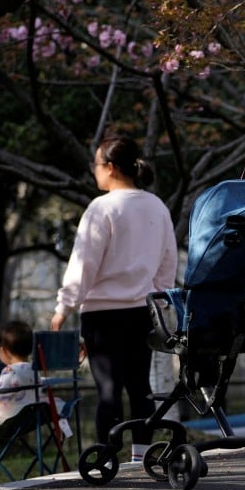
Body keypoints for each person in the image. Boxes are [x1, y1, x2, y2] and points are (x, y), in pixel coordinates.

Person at [51, 134, 178, 462]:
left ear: (109, 167)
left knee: (109, 389)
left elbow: (84, 263)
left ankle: (107, 455)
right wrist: (160, 298)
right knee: (140, 387)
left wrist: (64, 307)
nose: (93, 171)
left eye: (95, 164)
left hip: (102, 315)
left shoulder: (101, 208)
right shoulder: (157, 206)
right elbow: (168, 259)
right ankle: (141, 455)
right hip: (143, 311)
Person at [0, 321, 61, 428]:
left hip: (9, 415)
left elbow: (0, 395)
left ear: (3, 351)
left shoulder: (10, 371)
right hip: (28, 414)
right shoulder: (33, 369)